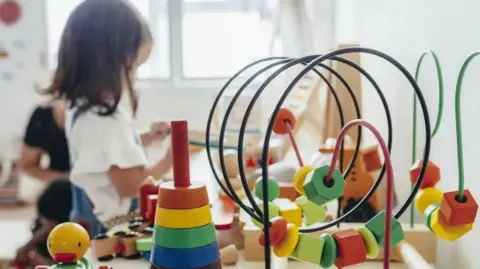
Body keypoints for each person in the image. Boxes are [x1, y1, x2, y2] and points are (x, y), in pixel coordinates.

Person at [44, 0, 173, 231]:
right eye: (133, 67)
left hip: (92, 221)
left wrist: (147, 137)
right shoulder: (103, 119)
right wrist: (171, 159)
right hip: (115, 232)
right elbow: (133, 186)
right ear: (105, 61)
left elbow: (106, 158)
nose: (134, 77)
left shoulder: (83, 108)